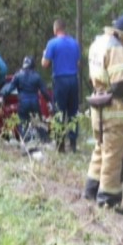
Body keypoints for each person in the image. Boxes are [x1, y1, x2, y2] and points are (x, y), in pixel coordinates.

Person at [83, 12, 123, 208]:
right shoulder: (116, 48)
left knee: (101, 149)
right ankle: (108, 199)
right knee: (114, 155)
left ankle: (91, 190)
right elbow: (120, 85)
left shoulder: (98, 43)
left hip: (98, 107)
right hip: (113, 110)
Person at [41, 19, 81, 152]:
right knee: (73, 112)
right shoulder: (74, 43)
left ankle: (60, 144)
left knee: (59, 112)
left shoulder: (52, 43)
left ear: (55, 29)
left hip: (60, 80)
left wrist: (43, 55)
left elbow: (45, 64)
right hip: (73, 79)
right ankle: (73, 143)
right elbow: (78, 63)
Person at [0, 56, 52, 141]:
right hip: (34, 102)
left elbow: (10, 88)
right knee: (38, 122)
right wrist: (50, 101)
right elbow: (44, 91)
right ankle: (44, 140)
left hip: (23, 102)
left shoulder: (18, 75)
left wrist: (2, 96)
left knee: (23, 123)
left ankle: (26, 141)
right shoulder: (37, 76)